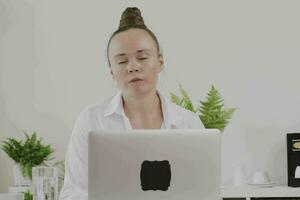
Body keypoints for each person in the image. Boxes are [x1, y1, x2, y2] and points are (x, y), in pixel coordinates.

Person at [59, 7, 204, 200]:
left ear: (160, 62)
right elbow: (73, 192)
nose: (133, 67)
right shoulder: (91, 120)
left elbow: (205, 192)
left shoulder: (189, 124)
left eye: (142, 57)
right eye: (121, 61)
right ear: (111, 71)